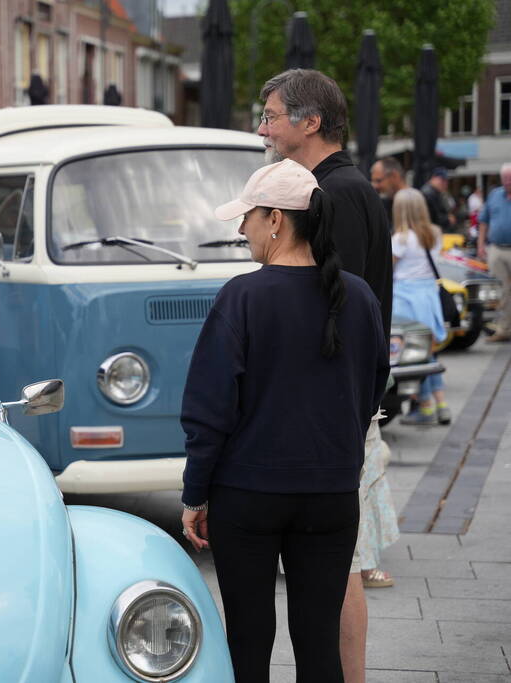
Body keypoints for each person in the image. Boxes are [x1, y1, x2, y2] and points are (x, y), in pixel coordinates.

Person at [180, 159, 389, 683]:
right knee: (320, 643)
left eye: (247, 216)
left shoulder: (242, 297)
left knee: (247, 640)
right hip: (332, 495)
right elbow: (371, 389)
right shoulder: (358, 297)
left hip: (248, 494)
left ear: (275, 219)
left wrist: (195, 495)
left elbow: (209, 410)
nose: (239, 228)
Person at [258, 68, 393, 683]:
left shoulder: (329, 195)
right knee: (341, 564)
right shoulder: (346, 187)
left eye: (271, 116)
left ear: (309, 123)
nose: (263, 128)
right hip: (345, 405)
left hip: (334, 413)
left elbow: (337, 311)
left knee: (341, 566)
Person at [391, 188, 449, 425]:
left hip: (406, 299)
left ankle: (424, 406)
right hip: (429, 298)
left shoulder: (401, 239)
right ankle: (442, 404)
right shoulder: (434, 235)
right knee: (430, 353)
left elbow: (389, 268)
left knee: (414, 357)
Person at [478, 163, 511, 342]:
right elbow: (484, 221)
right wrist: (481, 244)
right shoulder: (495, 195)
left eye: (510, 179)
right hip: (497, 249)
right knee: (500, 290)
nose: (507, 182)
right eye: (504, 179)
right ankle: (503, 328)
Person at [369, 157, 408, 228]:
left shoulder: (415, 203)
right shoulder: (385, 203)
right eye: (373, 181)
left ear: (394, 176)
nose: (375, 186)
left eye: (378, 181)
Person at [420, 167, 454, 233]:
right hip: (429, 233)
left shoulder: (435, 192)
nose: (445, 184)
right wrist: (447, 219)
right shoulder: (429, 193)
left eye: (446, 181)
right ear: (434, 178)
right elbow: (433, 218)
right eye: (442, 180)